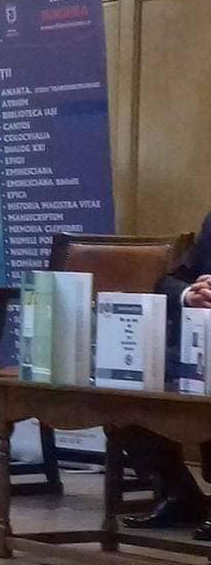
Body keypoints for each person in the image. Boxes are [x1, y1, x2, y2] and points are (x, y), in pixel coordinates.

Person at [120, 212, 211, 537]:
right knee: (124, 386)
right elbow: (168, 282)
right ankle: (178, 493)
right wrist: (191, 294)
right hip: (198, 347)